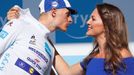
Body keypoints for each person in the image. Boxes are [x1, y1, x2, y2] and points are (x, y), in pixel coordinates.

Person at [6, 2, 134, 75]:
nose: (88, 22)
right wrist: (41, 35)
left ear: (107, 24)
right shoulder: (93, 57)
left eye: (93, 19)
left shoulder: (123, 57)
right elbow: (66, 73)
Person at [0, 0, 77, 75]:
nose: (70, 20)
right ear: (54, 12)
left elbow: (66, 72)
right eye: (67, 14)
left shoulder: (51, 49)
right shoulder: (19, 24)